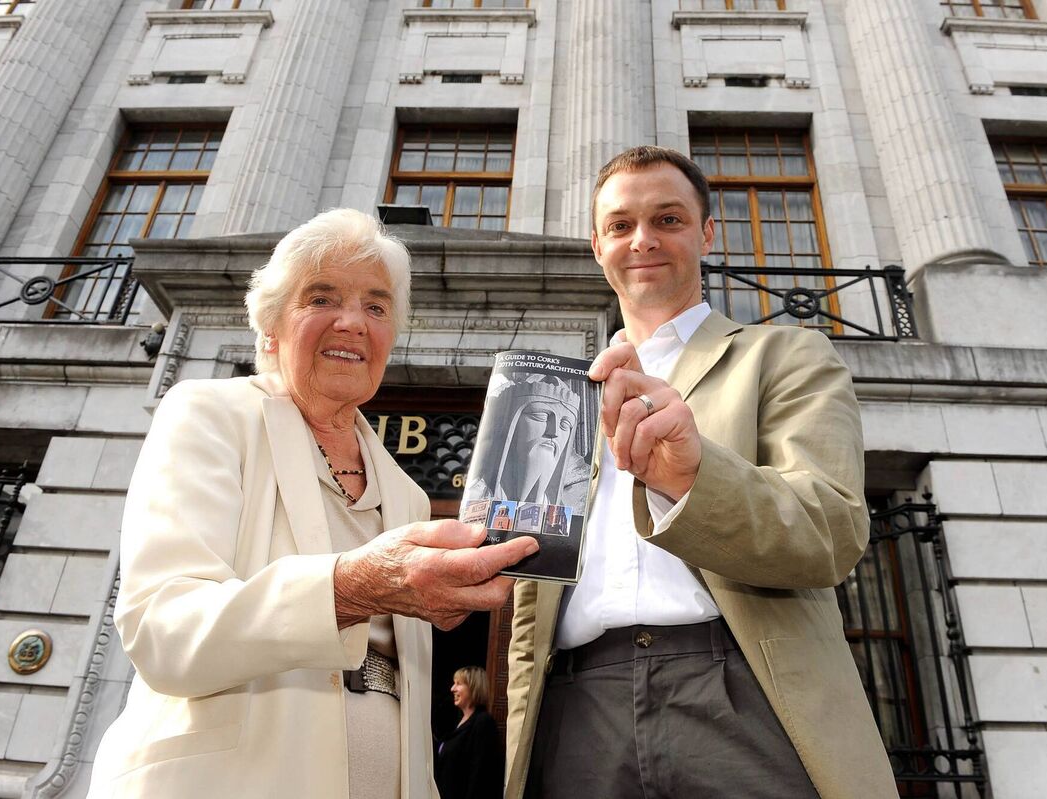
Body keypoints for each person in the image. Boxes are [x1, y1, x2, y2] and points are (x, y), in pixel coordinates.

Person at [88, 209, 538, 798]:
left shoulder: (403, 489)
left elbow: (408, 694)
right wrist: (352, 587)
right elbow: (162, 630)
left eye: (376, 307)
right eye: (322, 297)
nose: (353, 322)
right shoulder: (210, 415)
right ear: (271, 326)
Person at [505, 148, 898, 799]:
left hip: (738, 694)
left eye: (668, 219)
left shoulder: (786, 356)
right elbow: (529, 608)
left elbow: (831, 528)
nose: (643, 241)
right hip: (578, 709)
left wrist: (692, 479)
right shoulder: (558, 397)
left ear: (706, 233)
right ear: (596, 243)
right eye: (622, 225)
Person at [467, 374, 587, 508]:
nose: (554, 433)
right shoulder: (475, 497)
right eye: (540, 416)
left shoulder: (579, 500)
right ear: (511, 423)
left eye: (565, 424)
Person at [434, 666, 503, 799]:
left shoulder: (483, 722)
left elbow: (480, 777)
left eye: (458, 684)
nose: (452, 689)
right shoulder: (458, 722)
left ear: (473, 687)